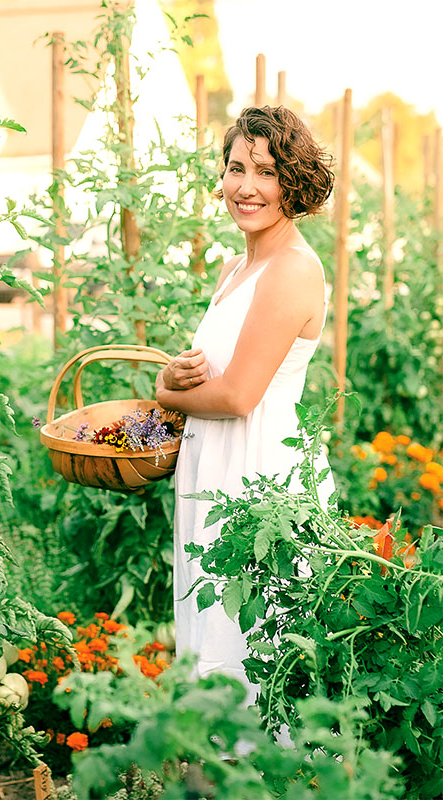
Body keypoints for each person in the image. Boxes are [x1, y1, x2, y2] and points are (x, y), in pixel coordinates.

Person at [155, 106, 335, 697]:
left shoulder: (291, 270)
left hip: (257, 478)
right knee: (213, 631)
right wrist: (180, 371)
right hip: (215, 466)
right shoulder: (238, 267)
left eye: (266, 171)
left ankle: (257, 781)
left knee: (251, 636)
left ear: (295, 181)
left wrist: (162, 390)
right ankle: (213, 776)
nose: (247, 187)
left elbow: (236, 395)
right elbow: (217, 372)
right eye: (236, 168)